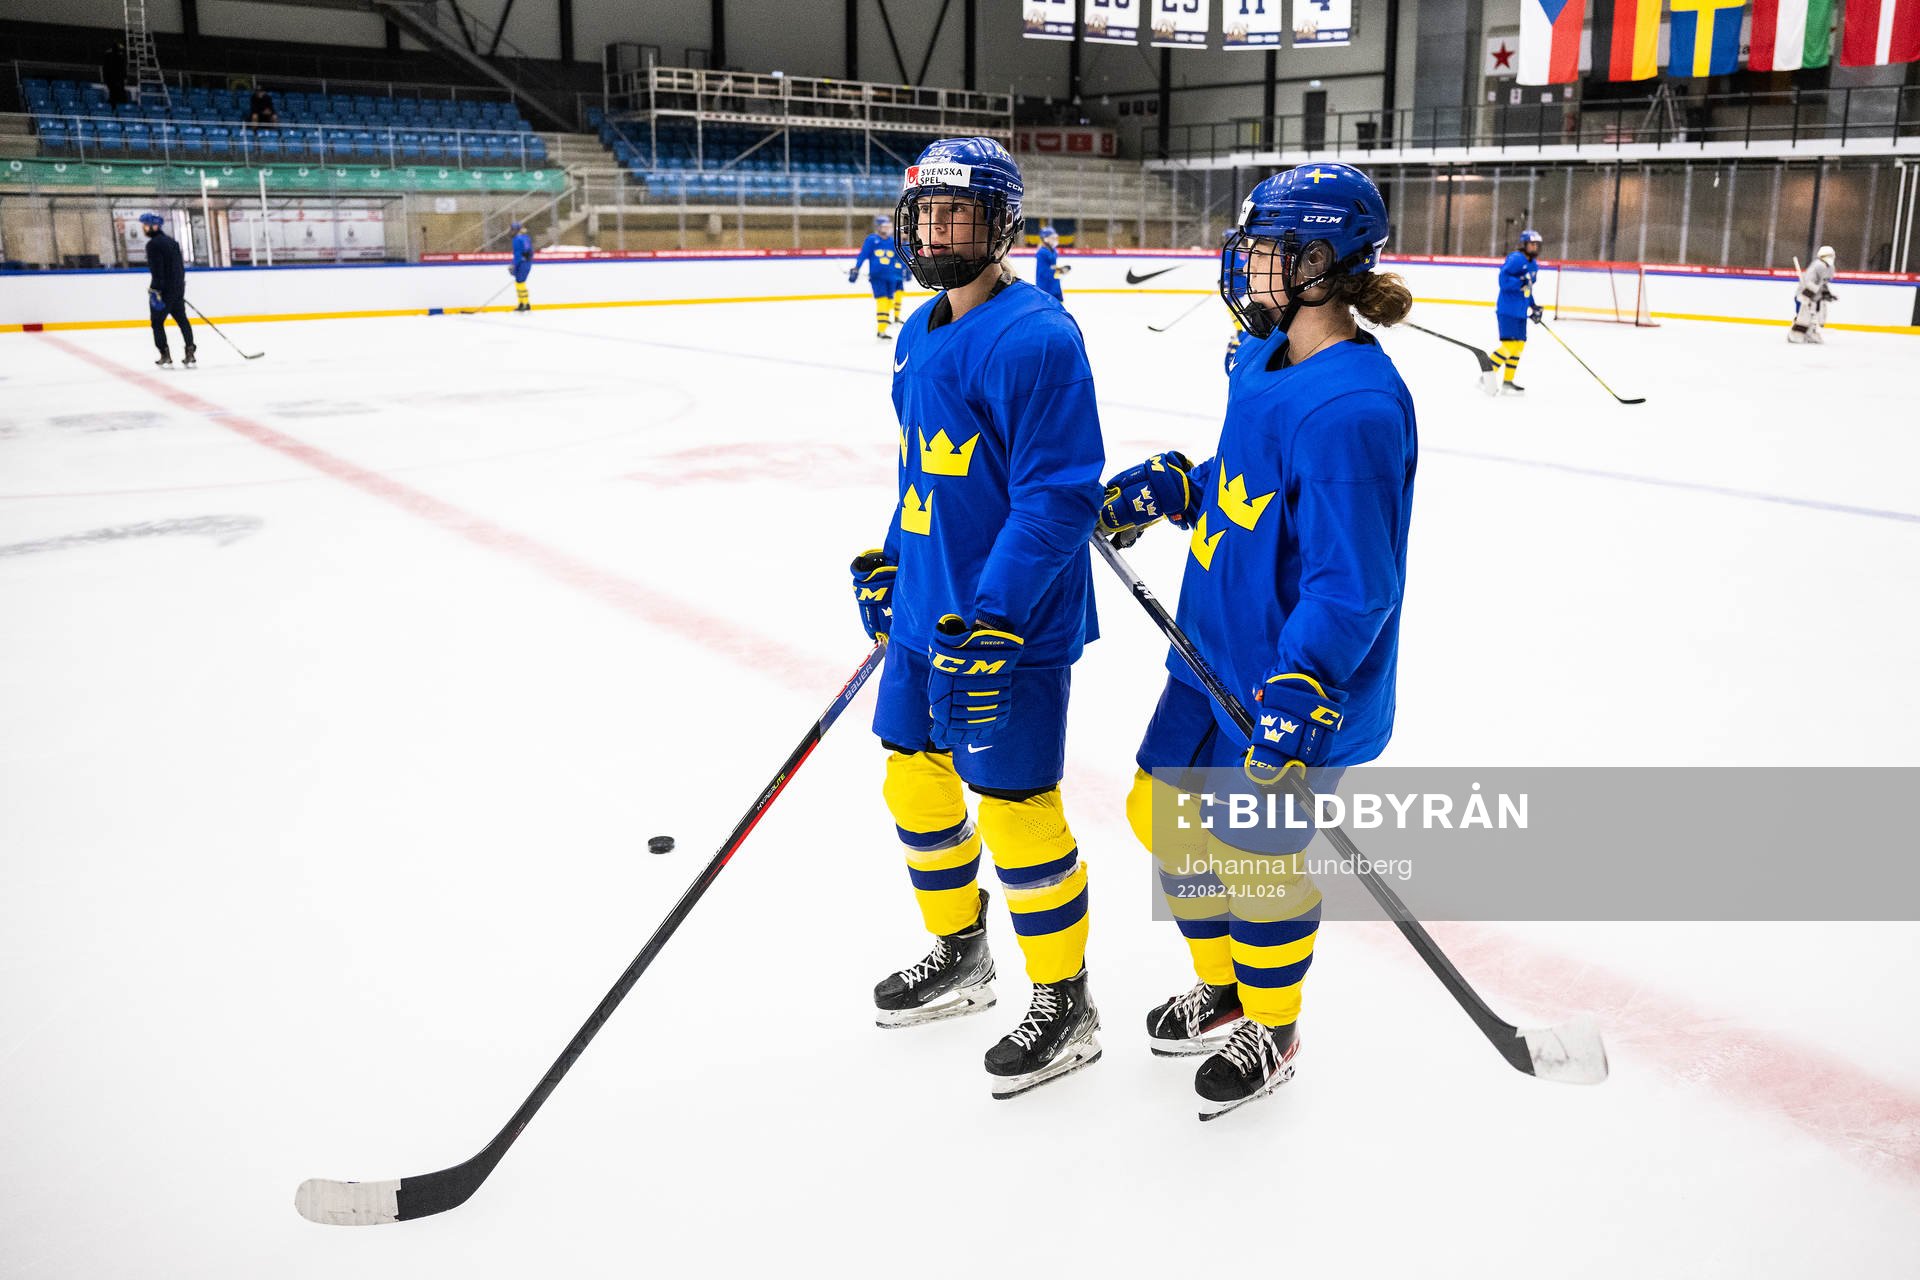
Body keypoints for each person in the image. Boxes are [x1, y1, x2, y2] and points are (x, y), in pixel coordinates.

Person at [1096, 161, 1417, 1119]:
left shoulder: (1353, 407)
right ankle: (1230, 987)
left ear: (1320, 263)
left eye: (1269, 252)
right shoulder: (1261, 359)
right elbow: (1257, 487)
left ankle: (1272, 1026)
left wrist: (1301, 687)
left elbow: (1352, 583)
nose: (1249, 269)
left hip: (1288, 684)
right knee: (1161, 818)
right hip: (1209, 652)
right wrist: (1183, 489)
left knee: (1258, 860)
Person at [848, 136, 1107, 1100]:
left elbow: (1058, 499)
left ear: (1003, 225)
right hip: (927, 612)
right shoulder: (919, 330)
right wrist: (892, 561)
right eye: (926, 213)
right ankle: (962, 952)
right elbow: (926, 468)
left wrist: (996, 612)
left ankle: (1065, 998)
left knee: (1015, 807)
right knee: (914, 788)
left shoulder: (1039, 337)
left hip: (1013, 624)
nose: (938, 229)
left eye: (960, 214)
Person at [140, 212, 194, 368]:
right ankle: (190, 351)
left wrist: (155, 291)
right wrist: (179, 290)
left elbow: (158, 271)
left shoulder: (153, 245)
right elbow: (180, 269)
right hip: (177, 290)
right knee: (182, 320)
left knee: (157, 323)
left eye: (146, 225)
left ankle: (165, 354)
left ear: (154, 226)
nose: (144, 228)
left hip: (162, 292)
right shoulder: (172, 242)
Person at [1493, 228, 1543, 394]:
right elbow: (1503, 281)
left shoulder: (1533, 265)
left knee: (1519, 346)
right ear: (1524, 244)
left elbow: (1527, 289)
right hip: (1508, 310)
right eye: (1532, 244)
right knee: (1510, 346)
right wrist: (1519, 281)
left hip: (1520, 311)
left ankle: (1508, 381)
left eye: (1537, 244)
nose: (1535, 247)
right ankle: (1486, 376)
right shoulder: (1515, 259)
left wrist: (1533, 306)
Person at [848, 214, 907, 338]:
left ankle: (883, 327)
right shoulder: (871, 240)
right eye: (885, 226)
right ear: (879, 227)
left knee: (890, 301)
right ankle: (881, 331)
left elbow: (899, 257)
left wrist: (907, 268)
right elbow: (863, 255)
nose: (888, 228)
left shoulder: (892, 242)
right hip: (877, 277)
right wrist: (856, 268)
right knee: (882, 301)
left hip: (890, 277)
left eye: (889, 226)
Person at [1790, 245, 1836, 344]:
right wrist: (1806, 297)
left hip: (1815, 297)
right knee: (1803, 317)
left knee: (1813, 316)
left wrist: (1826, 293)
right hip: (1804, 295)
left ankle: (1810, 333)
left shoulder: (1829, 267)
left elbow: (1823, 283)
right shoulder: (1818, 265)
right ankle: (1795, 335)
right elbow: (1809, 282)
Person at [1034, 224, 1071, 304]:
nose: (1055, 240)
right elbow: (1044, 273)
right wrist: (1058, 271)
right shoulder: (1042, 252)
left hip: (1055, 286)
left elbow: (1051, 267)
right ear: (1045, 239)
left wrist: (1059, 270)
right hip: (1046, 288)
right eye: (1052, 238)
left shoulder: (1053, 251)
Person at [509, 220, 533, 312]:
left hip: (522, 263)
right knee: (519, 282)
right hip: (525, 262)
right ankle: (523, 303)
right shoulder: (525, 237)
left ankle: (524, 304)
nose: (511, 231)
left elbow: (518, 254)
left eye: (513, 230)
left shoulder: (517, 239)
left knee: (520, 283)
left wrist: (513, 265)